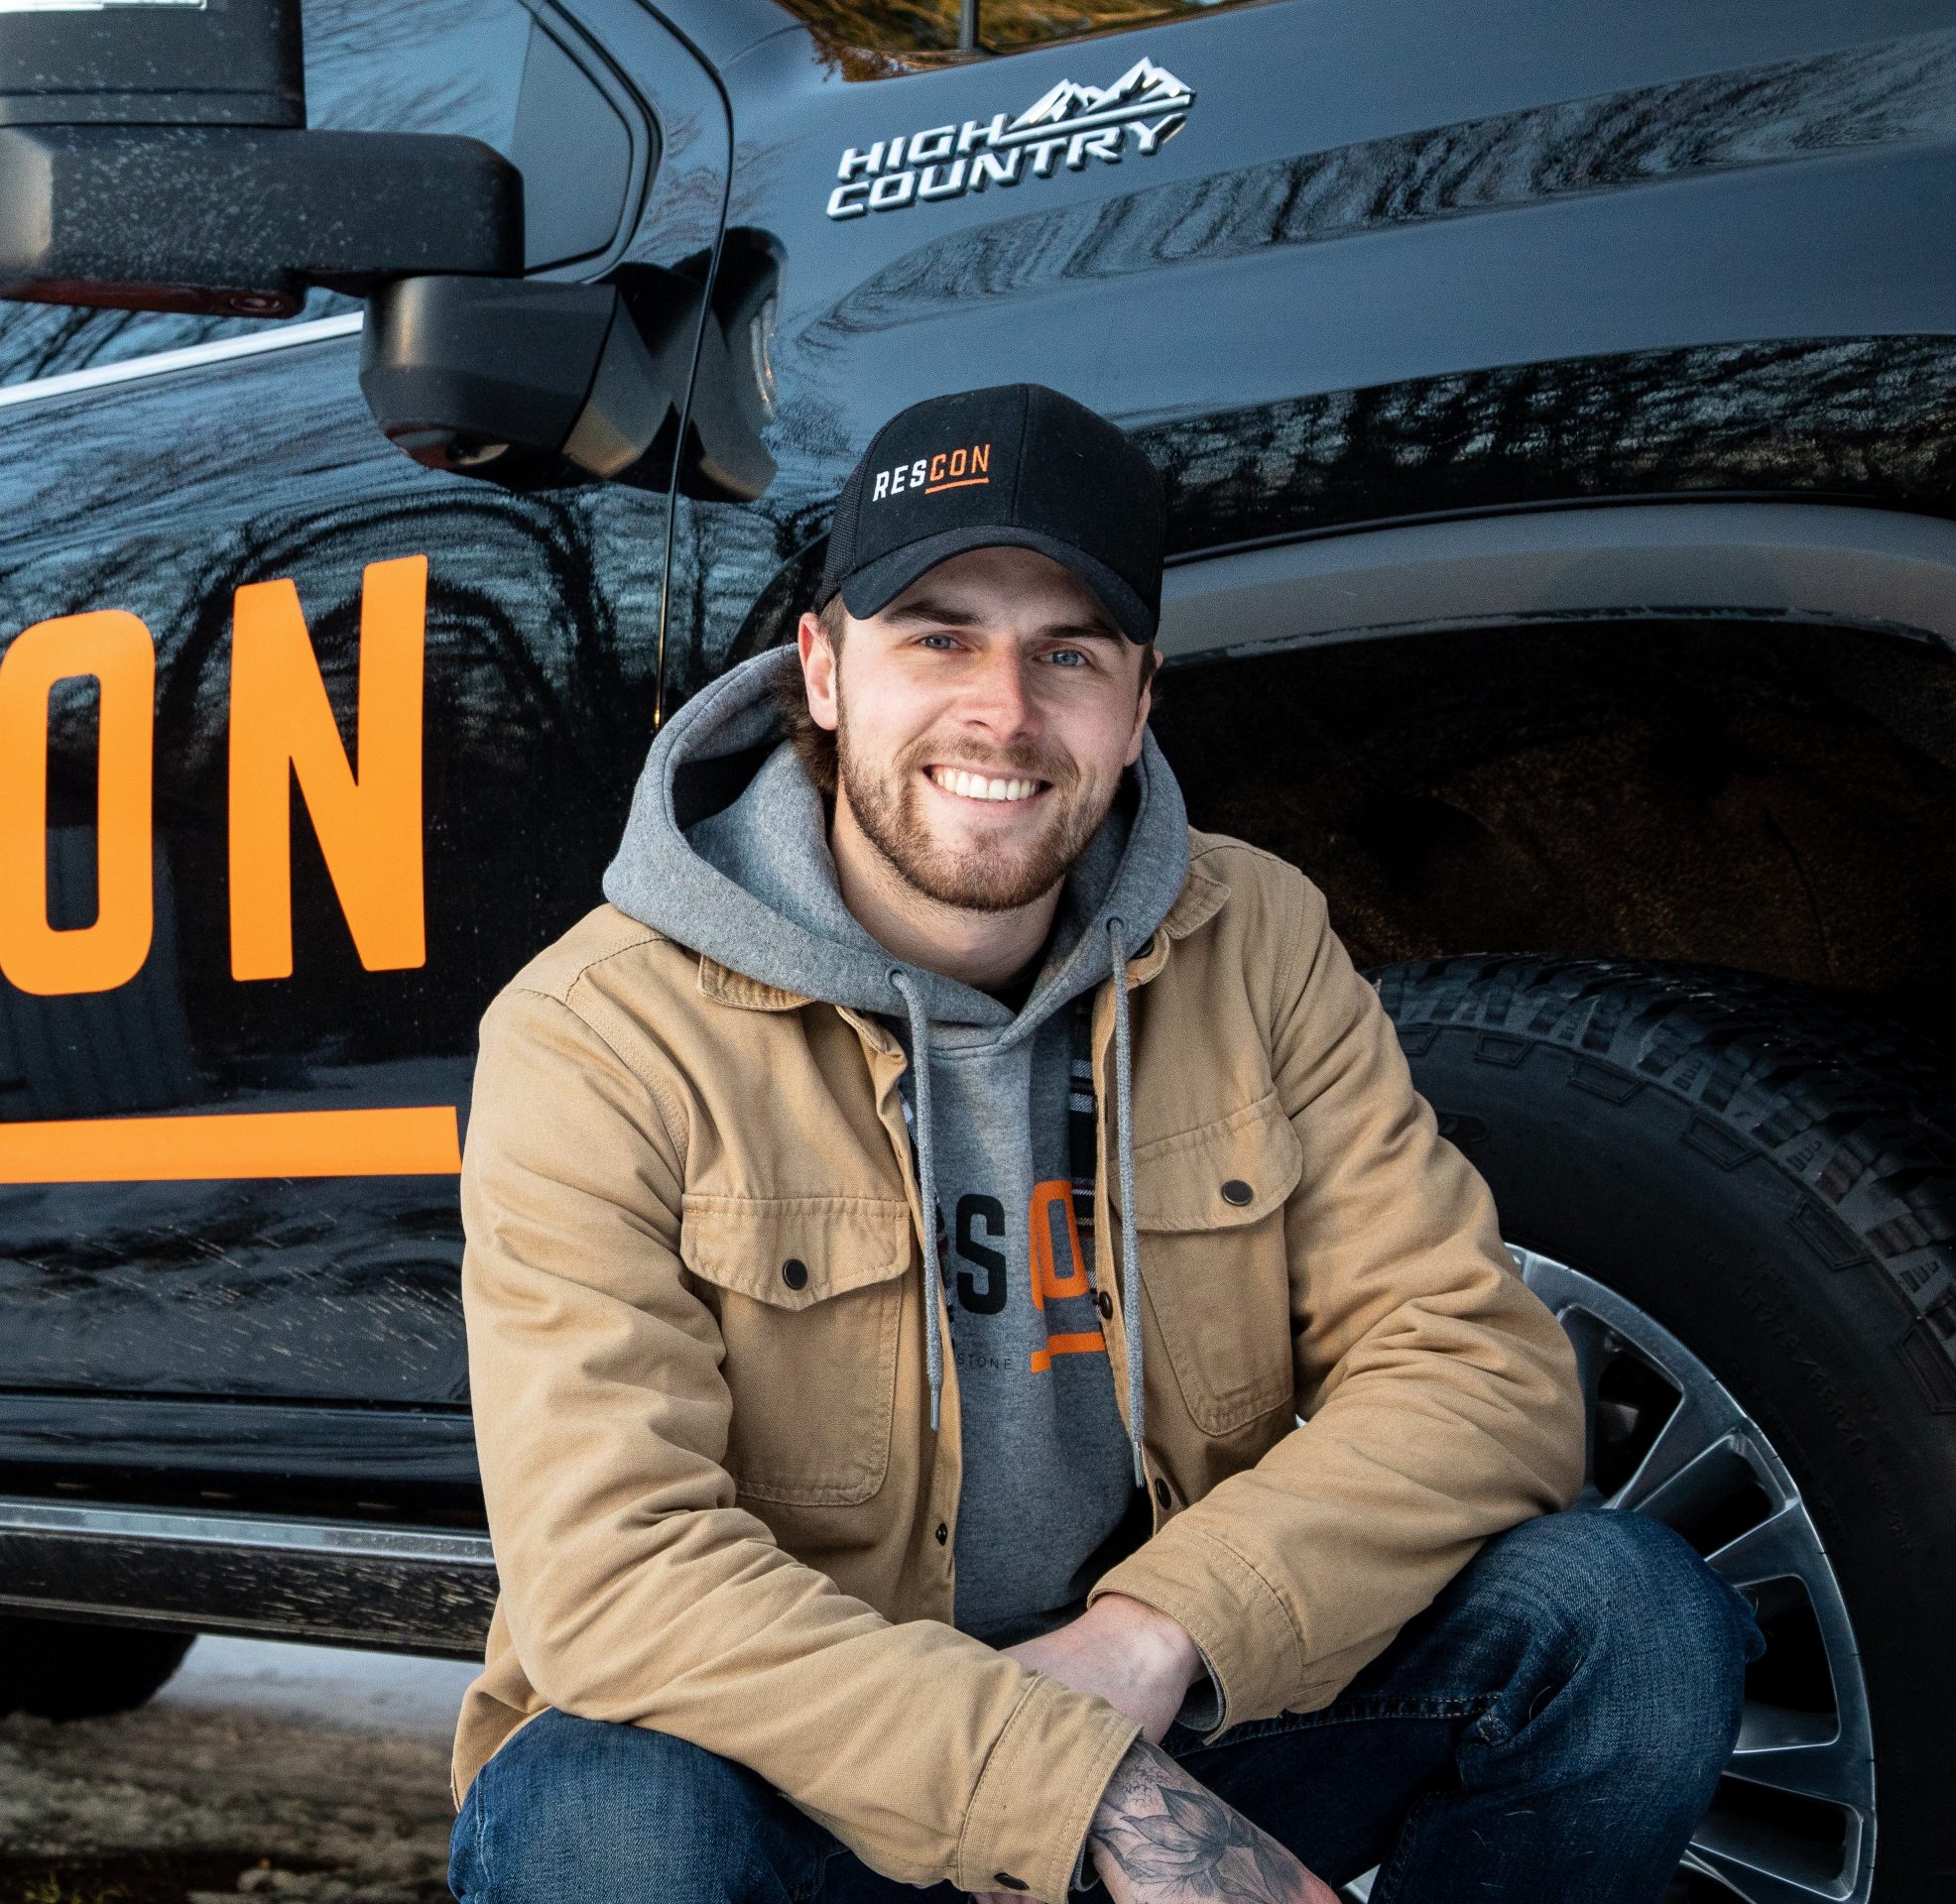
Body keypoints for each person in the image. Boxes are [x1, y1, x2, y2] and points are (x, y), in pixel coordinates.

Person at [445, 383, 1765, 1904]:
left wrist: (1158, 1641)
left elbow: (1477, 1369)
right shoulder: (598, 1027)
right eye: (937, 635)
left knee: (1628, 1617)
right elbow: (616, 1574)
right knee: (604, 1816)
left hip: (1188, 1706)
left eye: (1066, 654)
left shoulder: (1253, 937)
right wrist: (1077, 1788)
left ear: (1137, 708)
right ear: (820, 669)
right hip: (812, 1779)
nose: (1003, 712)